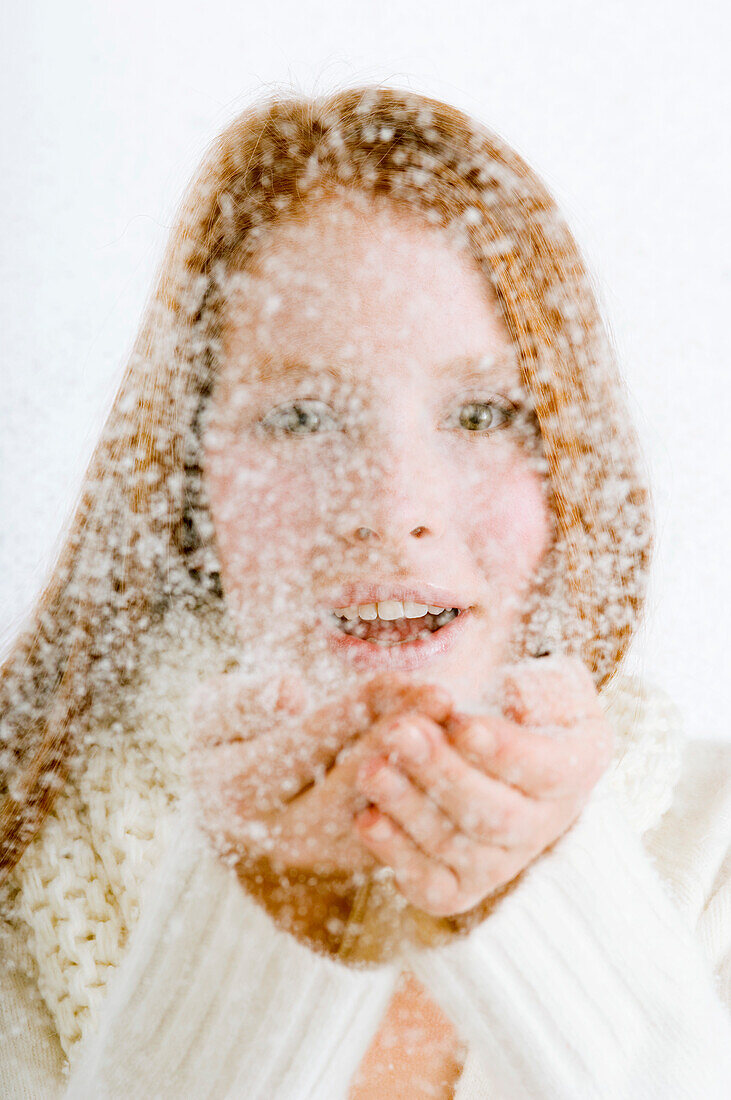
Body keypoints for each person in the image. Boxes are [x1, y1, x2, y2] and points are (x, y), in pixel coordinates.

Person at [0, 84, 729, 1099]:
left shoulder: (715, 848)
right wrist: (255, 915)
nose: (392, 510)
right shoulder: (19, 862)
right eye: (300, 418)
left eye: (481, 414)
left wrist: (542, 886)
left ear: (573, 456)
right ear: (189, 476)